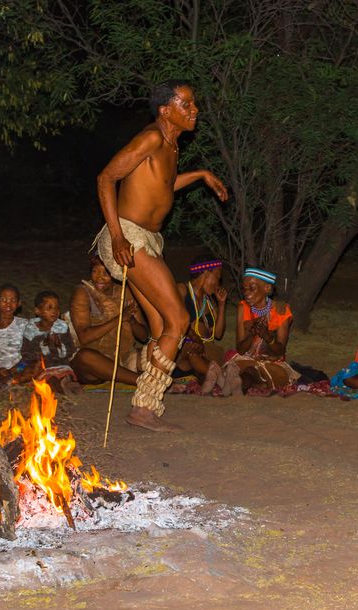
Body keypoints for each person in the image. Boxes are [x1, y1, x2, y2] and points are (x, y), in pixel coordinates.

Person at [95, 80, 229, 431]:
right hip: (128, 237)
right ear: (165, 110)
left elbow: (163, 186)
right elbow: (106, 177)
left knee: (161, 327)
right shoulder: (153, 137)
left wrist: (201, 175)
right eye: (186, 104)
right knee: (178, 320)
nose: (194, 110)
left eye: (194, 104)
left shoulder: (171, 147)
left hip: (149, 241)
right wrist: (117, 234)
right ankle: (145, 407)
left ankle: (142, 391)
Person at [66, 255, 146, 386]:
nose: (99, 277)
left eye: (105, 272)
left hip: (124, 359)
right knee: (85, 357)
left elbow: (143, 336)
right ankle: (142, 382)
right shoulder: (83, 292)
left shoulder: (126, 292)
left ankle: (128, 376)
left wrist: (131, 321)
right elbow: (84, 338)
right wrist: (120, 318)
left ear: (115, 274)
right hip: (94, 367)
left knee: (157, 350)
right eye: (95, 271)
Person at [220, 268, 300, 396]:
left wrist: (267, 336)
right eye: (244, 289)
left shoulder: (281, 310)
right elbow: (240, 349)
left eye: (252, 288)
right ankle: (242, 385)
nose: (247, 294)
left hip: (271, 363)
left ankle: (236, 384)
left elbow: (280, 351)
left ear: (267, 288)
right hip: (247, 358)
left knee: (256, 373)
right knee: (249, 371)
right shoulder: (243, 307)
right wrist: (252, 333)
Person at [176, 256, 228, 393]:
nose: (218, 282)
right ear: (206, 272)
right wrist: (194, 338)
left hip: (205, 351)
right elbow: (176, 321)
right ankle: (217, 376)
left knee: (206, 351)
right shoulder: (182, 290)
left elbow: (218, 334)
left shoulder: (209, 301)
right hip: (185, 349)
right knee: (190, 347)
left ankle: (210, 375)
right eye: (218, 276)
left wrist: (222, 305)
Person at [19, 290, 80, 394]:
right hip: (43, 369)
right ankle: (59, 395)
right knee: (51, 380)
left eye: (57, 307)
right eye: (49, 308)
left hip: (61, 366)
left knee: (66, 376)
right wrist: (44, 345)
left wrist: (59, 346)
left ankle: (66, 384)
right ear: (37, 311)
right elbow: (25, 353)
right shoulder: (31, 330)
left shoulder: (61, 327)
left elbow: (70, 350)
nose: (54, 311)